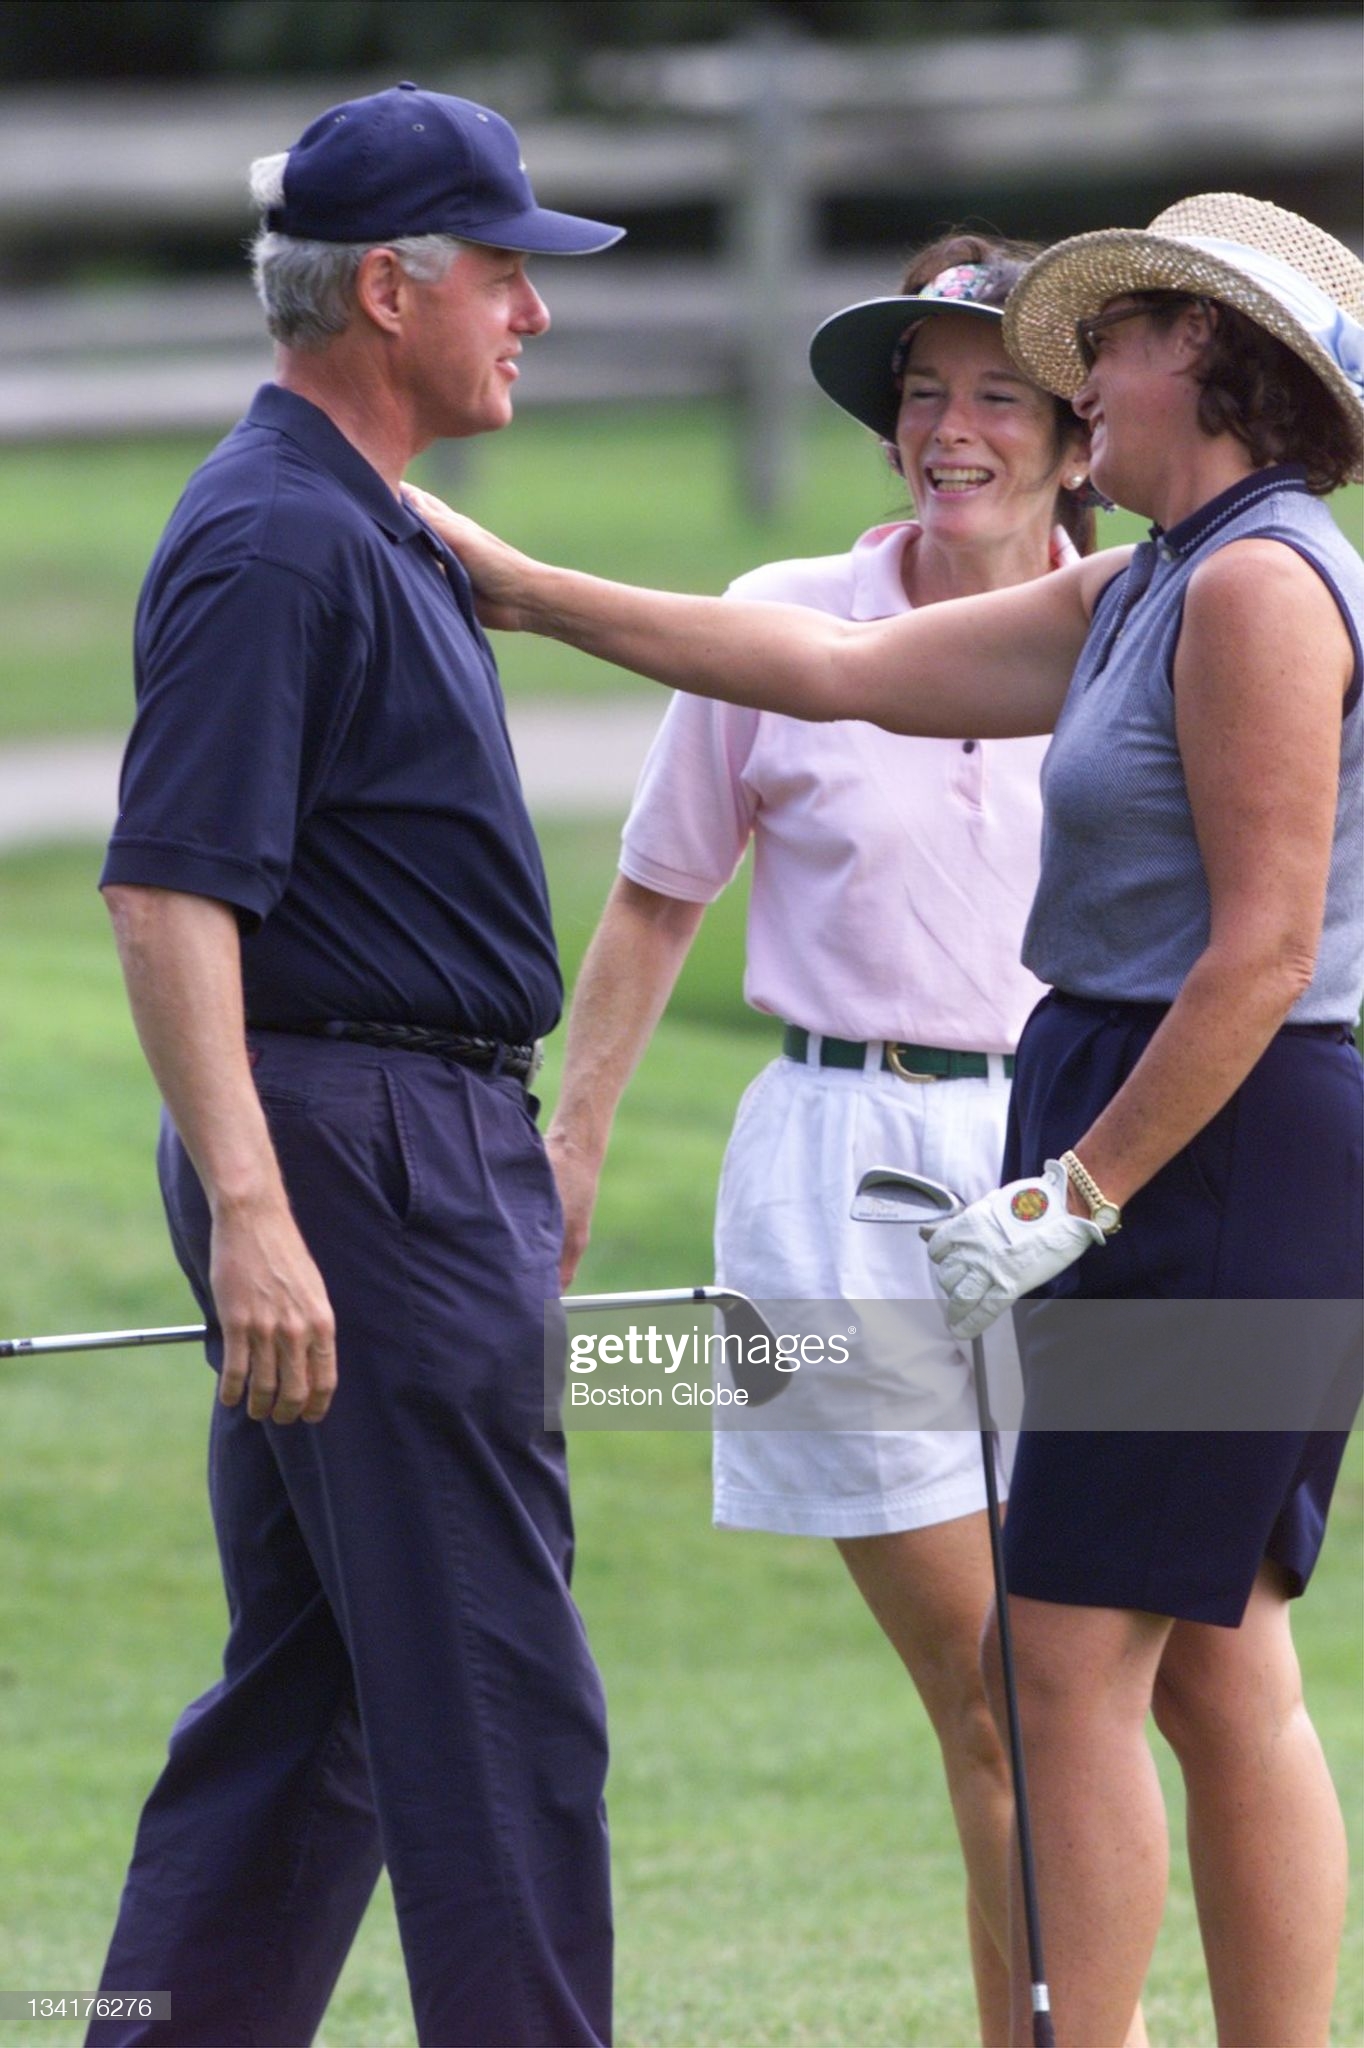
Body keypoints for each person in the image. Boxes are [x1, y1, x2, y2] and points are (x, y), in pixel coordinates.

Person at [410, 193, 1363, 2047]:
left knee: (1078, 1661)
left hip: (1216, 1154)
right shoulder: (1151, 576)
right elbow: (833, 671)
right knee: (1208, 1652)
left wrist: (1068, 1194)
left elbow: (1256, 960)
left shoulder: (1257, 583)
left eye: (1131, 335)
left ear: (1220, 370)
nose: (1090, 369)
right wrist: (519, 584)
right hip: (1163, 1134)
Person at [531, 233, 1138, 2048]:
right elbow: (652, 903)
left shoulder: (1149, 624)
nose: (951, 430)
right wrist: (572, 1139)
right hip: (833, 1164)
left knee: (1100, 1686)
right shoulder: (780, 615)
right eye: (923, 396)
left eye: (998, 398)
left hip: (1082, 1174)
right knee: (995, 1691)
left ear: (1080, 438)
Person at [87, 85, 623, 2048]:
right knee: (499, 1712)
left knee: (313, 1708)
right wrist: (255, 1211)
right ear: (388, 289)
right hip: (361, 1161)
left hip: (376, 1150)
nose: (533, 315)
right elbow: (166, 896)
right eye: (505, 274)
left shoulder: (358, 518)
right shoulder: (272, 540)